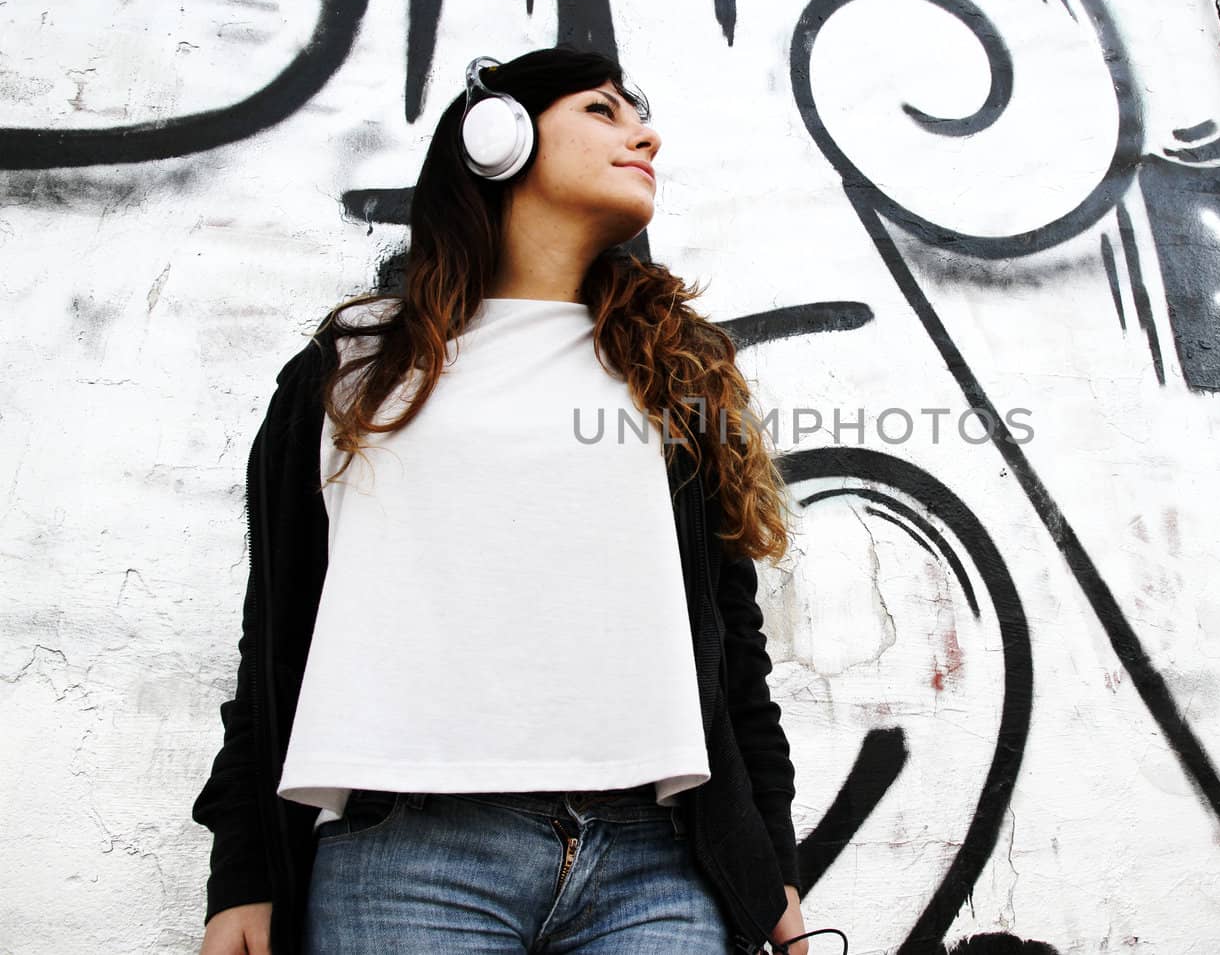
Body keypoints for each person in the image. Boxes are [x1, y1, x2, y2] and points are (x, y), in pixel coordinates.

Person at [193, 47, 812, 953]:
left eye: (635, 113)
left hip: (661, 866)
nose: (645, 133)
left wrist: (772, 860)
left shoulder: (672, 376)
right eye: (601, 110)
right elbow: (275, 633)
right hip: (409, 861)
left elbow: (730, 636)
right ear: (498, 137)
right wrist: (242, 872)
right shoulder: (353, 373)